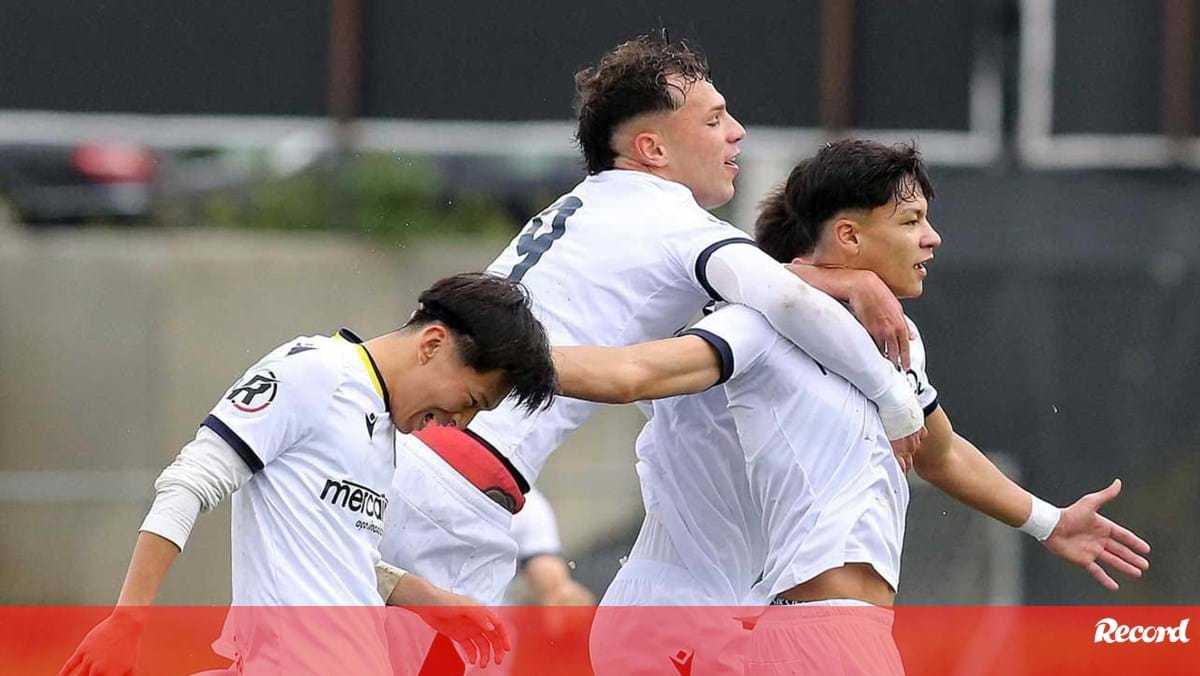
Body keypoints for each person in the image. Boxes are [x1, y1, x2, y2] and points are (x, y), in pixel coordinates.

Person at [379, 33, 926, 625]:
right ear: (652, 149)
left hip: (399, 456)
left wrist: (838, 281)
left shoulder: (589, 208)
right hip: (455, 490)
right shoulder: (672, 221)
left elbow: (780, 285)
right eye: (715, 119)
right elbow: (790, 304)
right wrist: (896, 402)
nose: (737, 131)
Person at [554, 139, 1152, 674]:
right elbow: (633, 373)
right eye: (912, 220)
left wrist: (1048, 521)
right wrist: (498, 357)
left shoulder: (899, 342)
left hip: (785, 621)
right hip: (695, 621)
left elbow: (938, 449)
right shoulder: (758, 324)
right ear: (848, 236)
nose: (932, 237)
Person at [60, 273, 557, 676]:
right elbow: (190, 481)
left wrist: (428, 599)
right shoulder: (318, 372)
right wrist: (128, 618)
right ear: (432, 343)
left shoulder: (384, 430)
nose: (458, 423)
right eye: (469, 402)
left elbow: (334, 553)